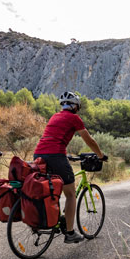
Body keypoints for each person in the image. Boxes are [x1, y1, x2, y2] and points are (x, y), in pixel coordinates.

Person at [34, 91, 106, 244]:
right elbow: (89, 140)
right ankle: (70, 233)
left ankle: (52, 219)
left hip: (39, 154)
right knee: (71, 194)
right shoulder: (74, 118)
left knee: (53, 189)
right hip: (55, 155)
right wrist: (100, 155)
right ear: (75, 107)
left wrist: (64, 155)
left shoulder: (55, 116)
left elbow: (52, 138)